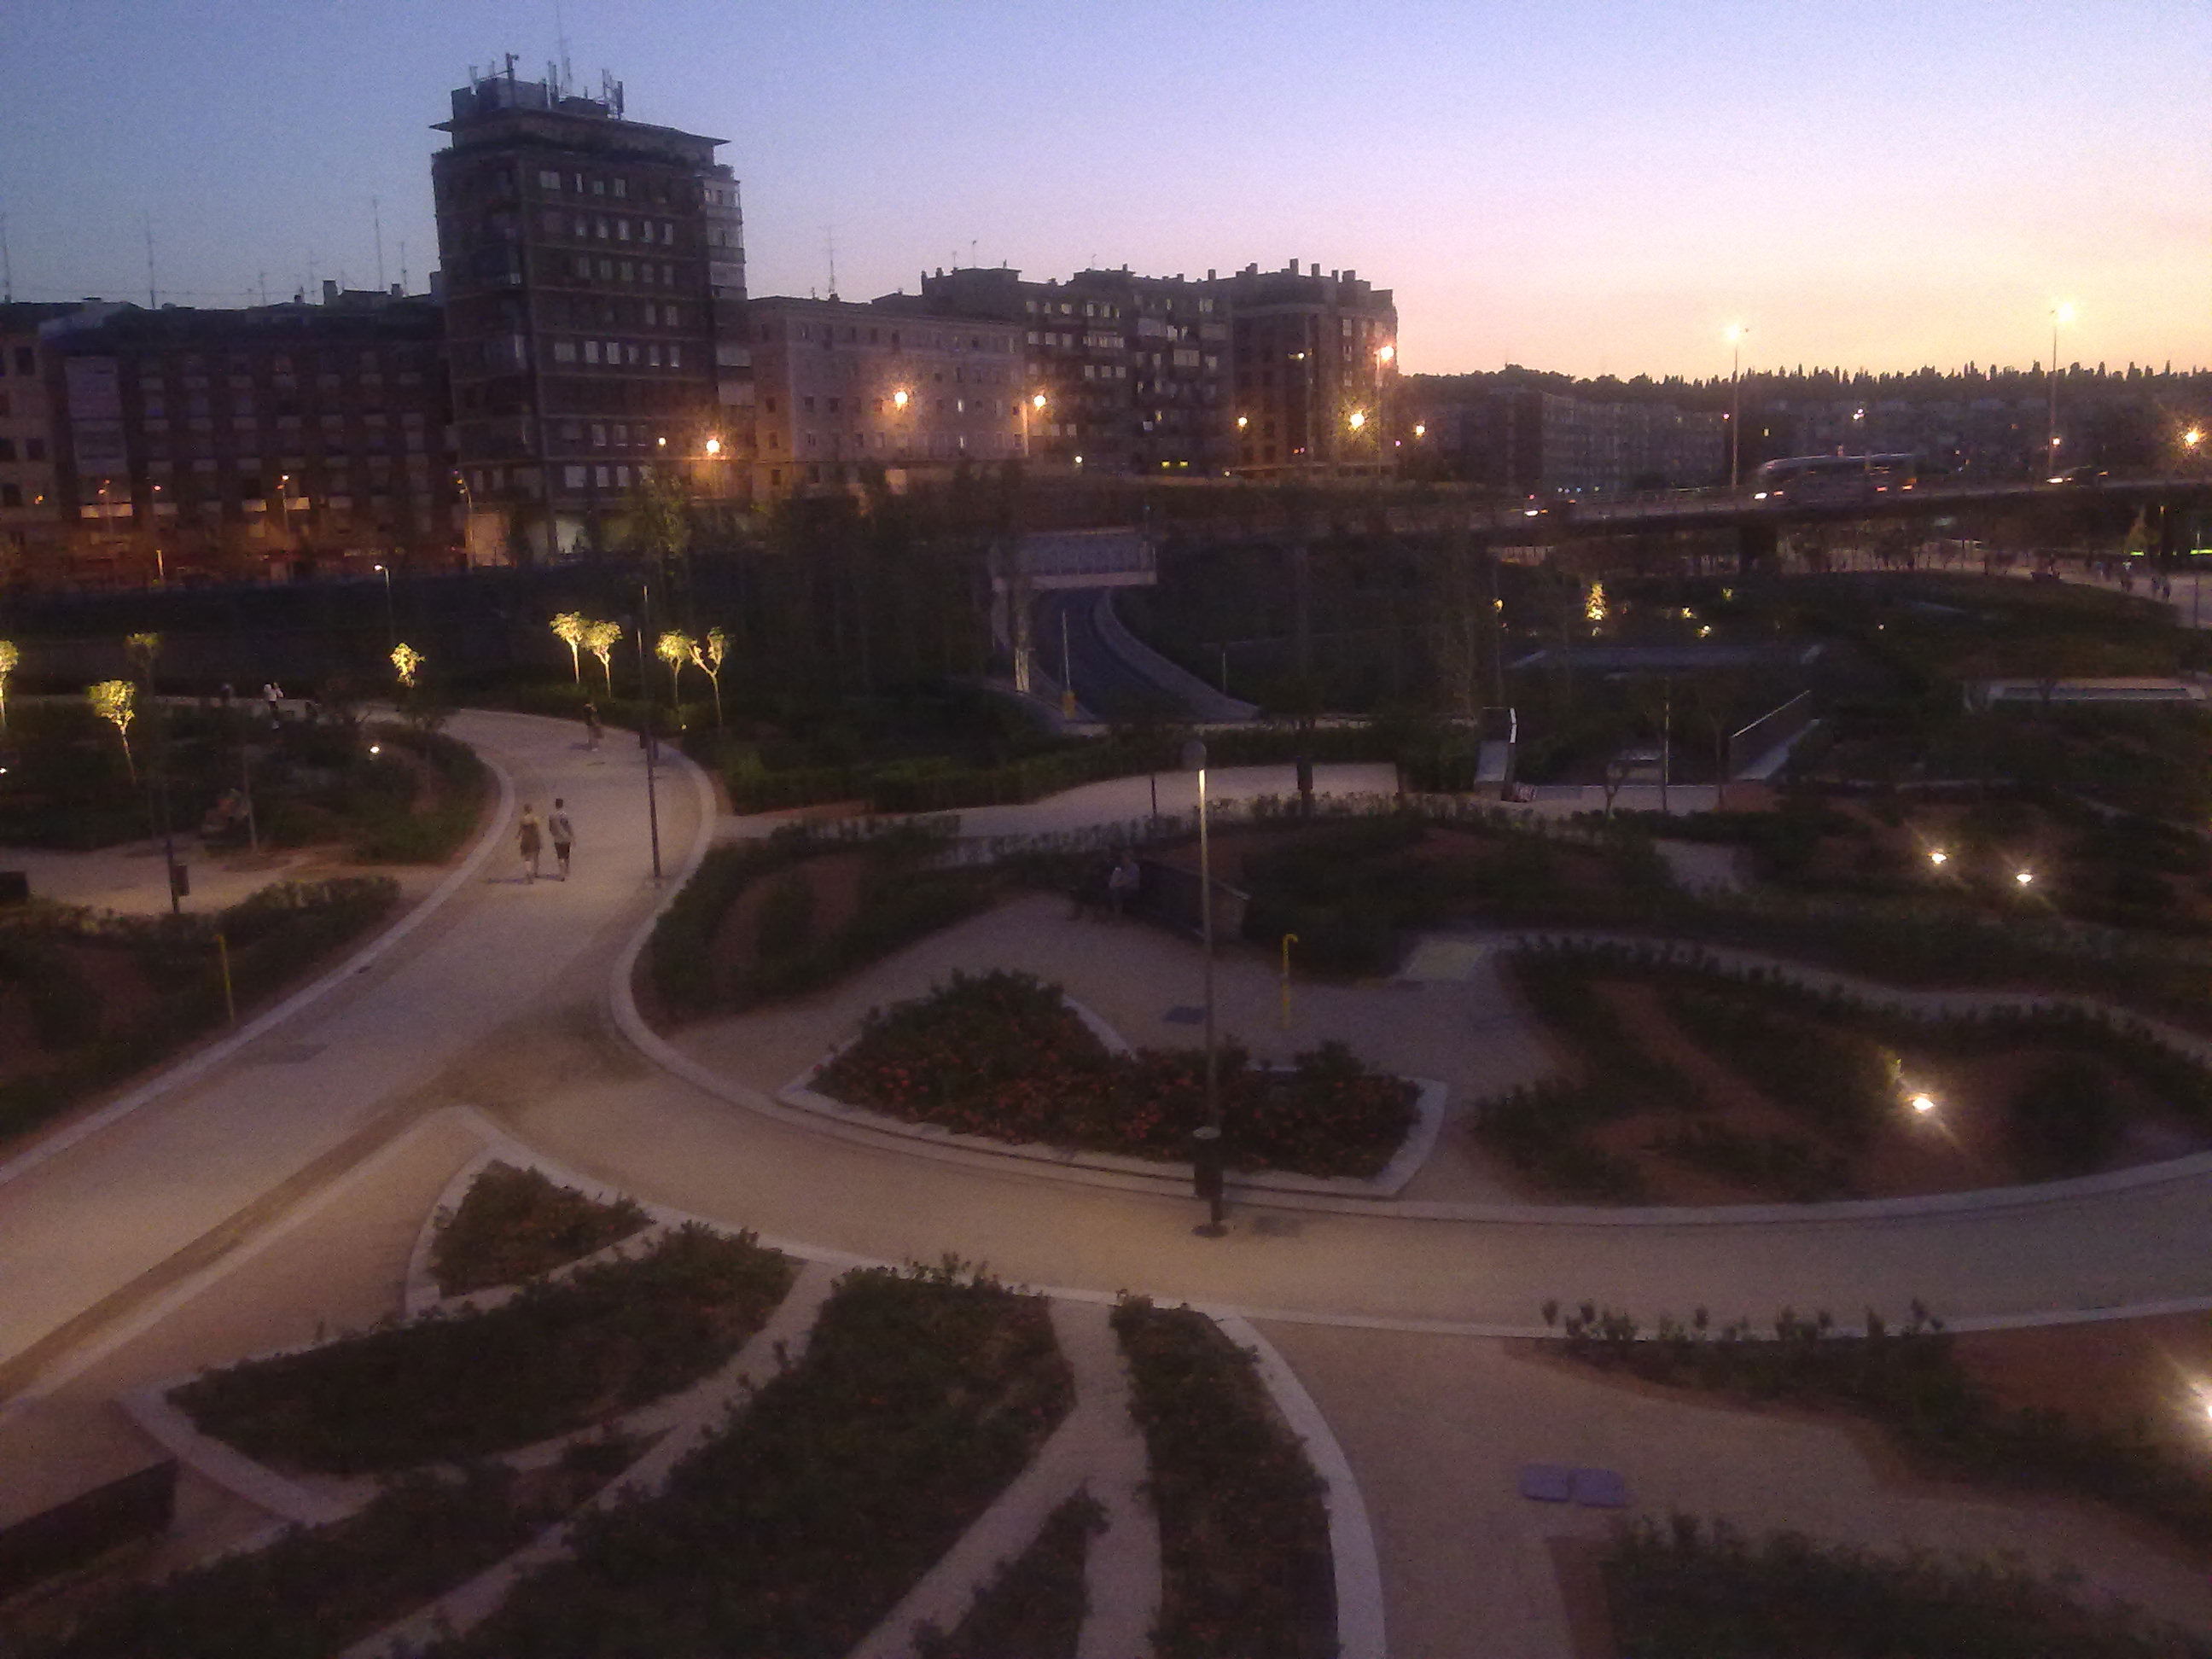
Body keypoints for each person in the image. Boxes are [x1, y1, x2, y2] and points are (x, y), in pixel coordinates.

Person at [547, 798, 574, 880]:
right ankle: (567, 870)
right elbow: (568, 826)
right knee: (566, 854)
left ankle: (561, 873)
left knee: (560, 856)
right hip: (566, 838)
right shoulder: (565, 815)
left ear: (555, 805)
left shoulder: (552, 816)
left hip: (557, 838)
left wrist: (554, 834)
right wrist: (572, 836)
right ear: (562, 804)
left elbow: (550, 828)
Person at [1107, 852, 1140, 919]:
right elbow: (1115, 876)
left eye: (1126, 858)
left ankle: (1117, 915)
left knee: (1117, 891)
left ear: (1130, 859)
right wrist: (1113, 884)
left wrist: (1116, 885)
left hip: (1132, 887)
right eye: (1123, 858)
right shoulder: (1119, 866)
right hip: (1120, 886)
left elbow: (1129, 880)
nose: (1124, 859)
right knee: (1113, 890)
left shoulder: (1134, 867)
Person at [517, 803, 543, 883]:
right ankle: (535, 872)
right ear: (531, 809)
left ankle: (528, 872)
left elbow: (520, 830)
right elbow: (537, 829)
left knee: (527, 858)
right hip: (534, 839)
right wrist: (540, 840)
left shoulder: (522, 819)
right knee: (536, 856)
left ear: (525, 810)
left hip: (525, 839)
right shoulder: (535, 818)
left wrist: (517, 836)